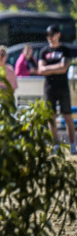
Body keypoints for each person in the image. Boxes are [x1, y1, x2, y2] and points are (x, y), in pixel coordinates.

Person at [37, 24, 76, 154]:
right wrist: (56, 68)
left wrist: (49, 69)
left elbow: (64, 68)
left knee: (67, 116)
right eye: (48, 35)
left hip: (63, 87)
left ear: (58, 35)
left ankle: (72, 145)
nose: (49, 38)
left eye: (52, 35)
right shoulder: (44, 51)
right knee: (51, 117)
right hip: (49, 88)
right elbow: (40, 70)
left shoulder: (65, 50)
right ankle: (55, 145)